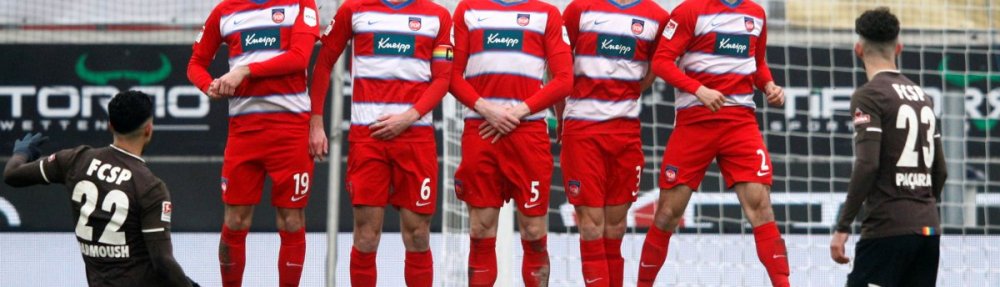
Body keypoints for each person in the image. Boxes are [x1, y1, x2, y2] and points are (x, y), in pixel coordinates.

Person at [637, 0, 789, 286]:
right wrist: (699, 90)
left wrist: (769, 85)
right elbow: (661, 62)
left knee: (761, 208)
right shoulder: (689, 11)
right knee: (667, 214)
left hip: (740, 123)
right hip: (695, 122)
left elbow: (757, 64)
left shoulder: (755, 13)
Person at [308, 0, 452, 285]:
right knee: (366, 235)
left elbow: (442, 80)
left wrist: (408, 117)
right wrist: (316, 122)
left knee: (419, 235)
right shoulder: (354, 9)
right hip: (368, 139)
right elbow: (323, 63)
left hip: (416, 139)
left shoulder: (438, 16)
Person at [186, 0, 321, 285]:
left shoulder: (300, 4)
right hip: (244, 132)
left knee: (291, 220)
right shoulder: (225, 11)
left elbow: (299, 57)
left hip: (291, 131)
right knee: (235, 220)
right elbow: (195, 64)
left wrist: (244, 70)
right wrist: (208, 85)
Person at [3, 91, 197, 287]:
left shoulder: (75, 160)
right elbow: (163, 262)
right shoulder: (150, 187)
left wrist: (21, 152)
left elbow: (12, 174)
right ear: (148, 129)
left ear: (110, 125)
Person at [449, 0, 573, 285]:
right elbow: (451, 76)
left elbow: (564, 79)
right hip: (481, 129)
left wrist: (518, 112)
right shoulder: (468, 9)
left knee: (533, 231)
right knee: (481, 229)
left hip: (527, 133)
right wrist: (487, 109)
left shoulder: (547, 14)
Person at [829, 7, 947, 287]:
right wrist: (922, 208)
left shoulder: (869, 96)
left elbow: (867, 164)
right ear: (899, 48)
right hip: (928, 230)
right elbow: (940, 170)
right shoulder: (923, 97)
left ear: (859, 50)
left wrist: (843, 226)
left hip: (887, 229)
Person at [559, 0, 667, 286]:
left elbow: (658, 65)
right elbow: (558, 66)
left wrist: (630, 91)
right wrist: (561, 115)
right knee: (591, 226)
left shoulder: (657, 17)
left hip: (625, 133)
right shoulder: (579, 9)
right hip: (583, 131)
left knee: (616, 228)